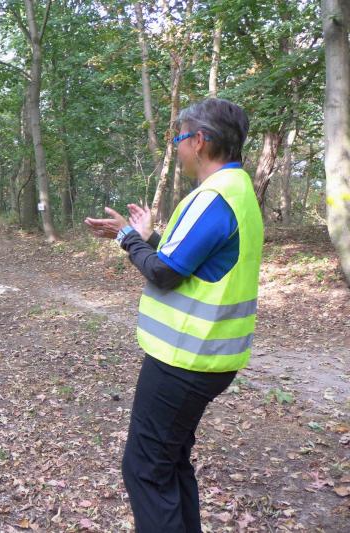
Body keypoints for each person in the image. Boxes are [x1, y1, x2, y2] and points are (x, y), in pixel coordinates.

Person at [85, 98, 263, 532]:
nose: (177, 149)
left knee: (144, 469)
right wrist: (146, 238)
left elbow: (164, 273)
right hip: (203, 357)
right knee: (169, 461)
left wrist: (128, 238)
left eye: (179, 139)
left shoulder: (215, 196)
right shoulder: (236, 190)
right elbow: (189, 262)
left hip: (186, 359)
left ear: (199, 141)